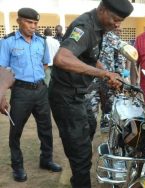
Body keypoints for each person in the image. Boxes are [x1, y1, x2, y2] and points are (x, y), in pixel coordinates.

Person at [48, 0, 133, 187]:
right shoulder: (84, 27)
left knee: (90, 127)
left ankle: (78, 165)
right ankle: (80, 177)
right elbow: (62, 58)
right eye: (115, 19)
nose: (118, 25)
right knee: (80, 151)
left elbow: (89, 58)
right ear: (102, 10)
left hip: (80, 94)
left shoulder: (100, 27)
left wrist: (110, 75)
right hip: (66, 95)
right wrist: (103, 73)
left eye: (121, 21)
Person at [0, 8, 62, 182]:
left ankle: (46, 160)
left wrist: (37, 81)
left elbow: (45, 64)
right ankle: (17, 166)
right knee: (16, 131)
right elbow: (1, 70)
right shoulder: (8, 42)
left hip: (41, 90)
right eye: (29, 22)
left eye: (35, 23)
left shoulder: (41, 41)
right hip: (20, 92)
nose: (33, 26)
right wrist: (2, 96)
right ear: (19, 21)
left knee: (46, 128)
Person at [86, 27, 130, 136]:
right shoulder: (90, 37)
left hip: (109, 83)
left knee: (110, 116)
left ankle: (109, 143)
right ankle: (87, 143)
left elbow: (119, 62)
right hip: (91, 83)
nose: (118, 27)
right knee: (89, 116)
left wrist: (119, 79)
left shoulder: (114, 39)